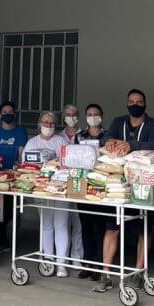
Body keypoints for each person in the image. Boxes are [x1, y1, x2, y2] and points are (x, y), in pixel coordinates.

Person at [94, 88, 154, 293]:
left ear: (145, 104)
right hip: (117, 186)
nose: (135, 104)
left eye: (139, 101)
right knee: (111, 228)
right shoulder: (118, 122)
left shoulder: (153, 125)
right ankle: (105, 274)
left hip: (143, 186)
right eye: (131, 101)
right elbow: (103, 140)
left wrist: (130, 145)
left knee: (143, 230)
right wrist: (110, 141)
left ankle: (138, 273)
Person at [25, 111, 71, 276]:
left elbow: (69, 162)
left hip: (61, 189)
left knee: (61, 225)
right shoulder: (32, 143)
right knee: (46, 225)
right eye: (45, 122)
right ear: (39, 124)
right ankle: (48, 261)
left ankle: (61, 265)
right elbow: (26, 167)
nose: (48, 126)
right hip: (41, 189)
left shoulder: (61, 141)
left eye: (52, 123)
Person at [0, 100, 28, 247]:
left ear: (15, 114)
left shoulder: (20, 131)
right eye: (4, 112)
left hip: (13, 175)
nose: (7, 115)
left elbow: (21, 153)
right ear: (0, 114)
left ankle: (5, 238)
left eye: (10, 112)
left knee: (10, 209)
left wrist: (19, 170)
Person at [76, 103, 106, 280]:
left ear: (102, 115)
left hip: (101, 186)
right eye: (89, 114)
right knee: (86, 227)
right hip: (83, 185)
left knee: (100, 227)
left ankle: (100, 265)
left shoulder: (108, 136)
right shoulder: (80, 136)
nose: (93, 117)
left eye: (96, 114)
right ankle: (87, 264)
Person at [60, 104, 85, 273]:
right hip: (61, 184)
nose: (71, 117)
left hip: (79, 183)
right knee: (62, 223)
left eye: (74, 114)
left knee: (79, 223)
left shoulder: (84, 135)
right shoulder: (58, 137)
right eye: (68, 114)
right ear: (63, 116)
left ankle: (77, 258)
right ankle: (62, 258)